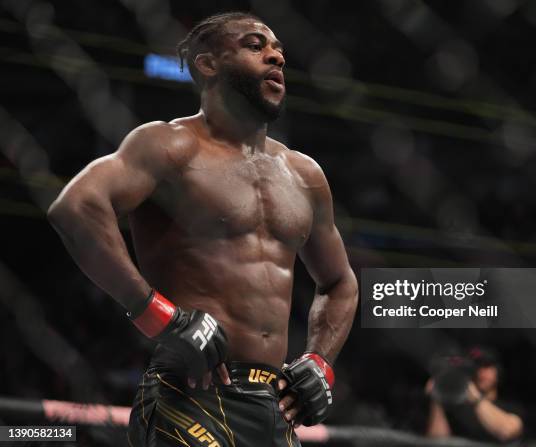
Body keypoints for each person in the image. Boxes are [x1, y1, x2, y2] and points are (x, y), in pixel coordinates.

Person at [47, 11, 358, 447]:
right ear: (208, 64)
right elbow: (77, 207)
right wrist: (160, 317)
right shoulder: (168, 146)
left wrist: (320, 361)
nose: (275, 57)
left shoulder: (305, 175)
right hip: (191, 393)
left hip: (274, 405)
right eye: (255, 46)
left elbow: (340, 281)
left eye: (279, 51)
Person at [426, 346, 524, 444]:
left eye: (486, 366)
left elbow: (507, 432)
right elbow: (437, 441)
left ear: (498, 371)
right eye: (476, 367)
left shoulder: (512, 408)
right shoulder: (457, 410)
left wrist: (475, 397)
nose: (480, 372)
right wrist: (437, 397)